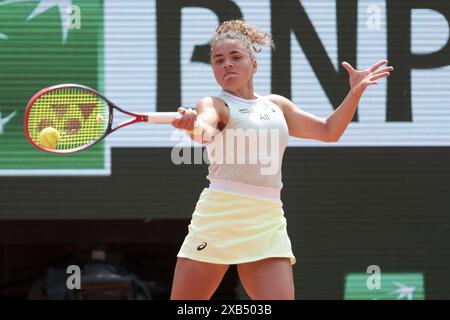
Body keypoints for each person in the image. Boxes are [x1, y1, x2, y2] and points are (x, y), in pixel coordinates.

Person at [170, 19, 393, 300]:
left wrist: (355, 92)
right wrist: (191, 125)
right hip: (220, 217)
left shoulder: (277, 106)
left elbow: (328, 130)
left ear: (253, 63)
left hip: (267, 218)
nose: (227, 64)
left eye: (235, 57)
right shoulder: (214, 104)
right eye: (218, 60)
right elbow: (203, 130)